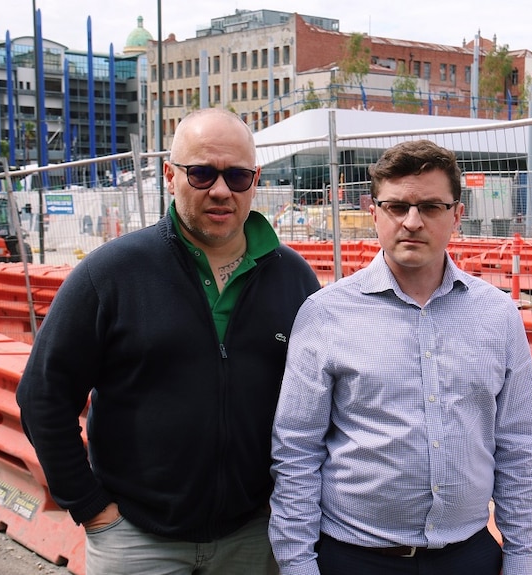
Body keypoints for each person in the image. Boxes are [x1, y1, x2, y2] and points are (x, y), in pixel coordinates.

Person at [17, 108, 320, 575]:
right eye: (201, 174)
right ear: (169, 174)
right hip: (137, 541)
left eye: (237, 176)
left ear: (255, 180)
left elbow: (318, 405)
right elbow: (43, 394)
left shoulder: (293, 278)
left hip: (254, 536)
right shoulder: (112, 273)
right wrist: (93, 509)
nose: (221, 190)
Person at [269, 139, 532, 575]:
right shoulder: (326, 315)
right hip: (354, 557)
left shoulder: (497, 315)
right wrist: (298, 564)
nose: (412, 222)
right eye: (397, 206)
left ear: (457, 214)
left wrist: (520, 558)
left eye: (431, 207)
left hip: (468, 556)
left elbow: (518, 447)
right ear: (375, 212)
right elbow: (297, 451)